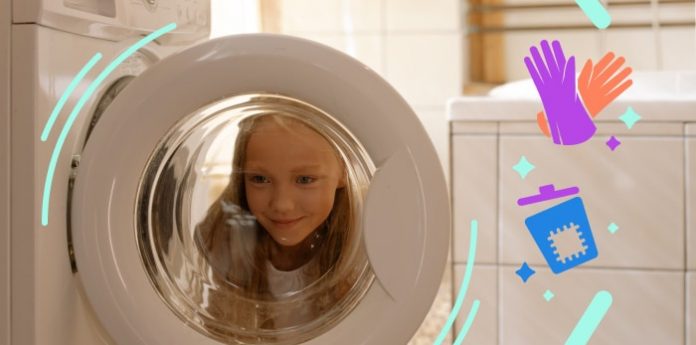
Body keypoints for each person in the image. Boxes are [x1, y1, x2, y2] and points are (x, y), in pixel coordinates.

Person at [193, 112, 367, 339]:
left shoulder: (366, 239)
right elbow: (223, 331)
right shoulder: (225, 236)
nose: (282, 205)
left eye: (305, 180)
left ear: (344, 171)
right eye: (260, 179)